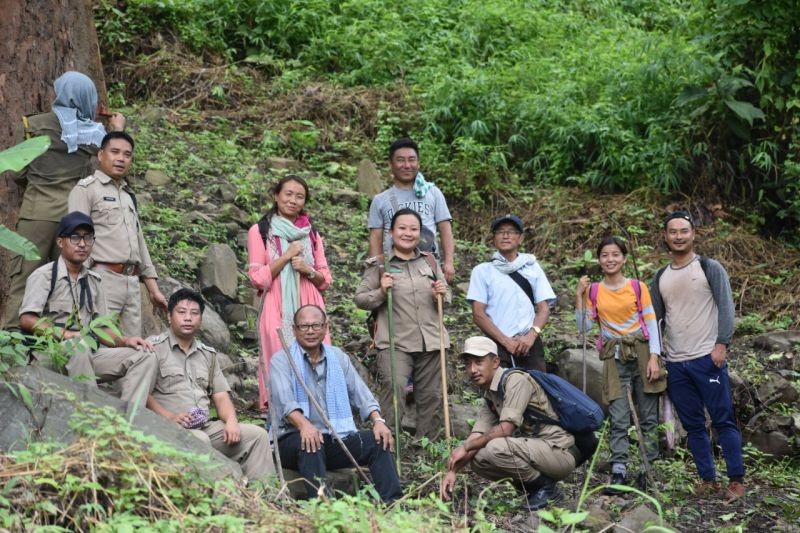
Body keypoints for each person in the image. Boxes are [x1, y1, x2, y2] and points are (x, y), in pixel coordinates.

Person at [3, 71, 125, 330]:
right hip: (73, 218)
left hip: (36, 213)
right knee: (68, 279)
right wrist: (118, 130)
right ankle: (64, 340)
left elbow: (17, 172)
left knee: (24, 277)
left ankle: (13, 338)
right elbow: (109, 165)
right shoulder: (95, 135)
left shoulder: (32, 125)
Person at [650, 211, 743, 502]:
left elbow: (726, 307)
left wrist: (722, 344)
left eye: (684, 231)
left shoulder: (708, 267)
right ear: (665, 237)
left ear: (693, 234)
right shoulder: (660, 277)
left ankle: (736, 480)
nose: (678, 236)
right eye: (673, 232)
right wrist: (656, 354)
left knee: (722, 419)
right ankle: (708, 478)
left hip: (707, 357)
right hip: (677, 363)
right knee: (692, 424)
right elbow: (655, 320)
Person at [19, 211, 156, 403]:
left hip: (85, 355)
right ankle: (92, 419)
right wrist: (64, 334)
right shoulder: (44, 276)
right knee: (79, 347)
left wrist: (126, 340)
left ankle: (127, 422)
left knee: (144, 356)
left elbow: (101, 328)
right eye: (75, 237)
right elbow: (27, 319)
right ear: (60, 242)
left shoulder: (94, 280)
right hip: (50, 355)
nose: (82, 244)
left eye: (88, 238)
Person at [269, 305, 402, 503]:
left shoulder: (337, 357)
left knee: (377, 441)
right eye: (304, 326)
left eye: (316, 325)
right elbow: (285, 404)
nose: (311, 331)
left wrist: (378, 420)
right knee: (310, 442)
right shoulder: (282, 360)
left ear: (325, 327)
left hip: (333, 438)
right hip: (292, 439)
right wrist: (304, 425)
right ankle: (324, 509)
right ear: (294, 329)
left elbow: (361, 394)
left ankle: (393, 504)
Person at [146, 289, 275, 482]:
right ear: (169, 316)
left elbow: (221, 396)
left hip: (204, 426)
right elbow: (142, 393)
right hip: (167, 426)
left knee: (257, 435)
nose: (188, 318)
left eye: (194, 313)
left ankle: (267, 497)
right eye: (181, 312)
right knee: (200, 440)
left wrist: (231, 421)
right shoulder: (152, 348)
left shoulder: (207, 354)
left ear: (200, 319)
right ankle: (214, 498)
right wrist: (170, 417)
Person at [440, 336, 578, 510]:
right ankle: (533, 488)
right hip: (534, 451)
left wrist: (466, 447)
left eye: (479, 362)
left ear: (495, 361)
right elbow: (477, 435)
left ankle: (545, 488)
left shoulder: (516, 381)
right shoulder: (490, 394)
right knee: (478, 459)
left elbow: (506, 429)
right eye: (468, 364)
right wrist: (453, 470)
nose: (472, 369)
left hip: (558, 451)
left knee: (496, 447)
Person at [575, 236, 666, 493]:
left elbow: (650, 323)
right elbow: (584, 327)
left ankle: (647, 469)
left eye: (615, 254)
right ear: (599, 259)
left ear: (624, 258)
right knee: (618, 416)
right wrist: (579, 296)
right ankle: (619, 471)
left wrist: (654, 357)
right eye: (605, 255)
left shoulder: (637, 287)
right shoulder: (594, 291)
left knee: (648, 416)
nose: (610, 259)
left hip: (643, 353)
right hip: (614, 357)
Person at [355, 208, 450, 441]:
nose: (408, 233)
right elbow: (360, 299)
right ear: (392, 232)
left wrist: (441, 293)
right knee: (394, 388)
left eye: (414, 229)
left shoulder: (429, 261)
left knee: (432, 395)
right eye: (402, 228)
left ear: (421, 233)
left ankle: (428, 445)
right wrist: (381, 291)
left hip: (431, 338)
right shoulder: (380, 265)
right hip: (394, 341)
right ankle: (387, 441)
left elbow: (446, 297)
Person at [67, 131, 166, 337]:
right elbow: (76, 240)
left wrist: (153, 289)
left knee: (134, 344)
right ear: (101, 155)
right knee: (101, 341)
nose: (121, 158)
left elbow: (139, 243)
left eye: (127, 155)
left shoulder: (128, 195)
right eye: (115, 152)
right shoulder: (86, 190)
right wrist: (80, 283)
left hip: (131, 282)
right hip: (102, 279)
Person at [247, 175, 332, 411]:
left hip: (309, 302)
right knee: (280, 357)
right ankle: (282, 417)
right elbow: (257, 278)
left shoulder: (311, 234)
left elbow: (325, 279)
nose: (293, 200)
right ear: (276, 196)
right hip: (276, 303)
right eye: (288, 194)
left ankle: (317, 413)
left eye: (300, 196)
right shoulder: (260, 231)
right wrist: (285, 257)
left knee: (315, 357)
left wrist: (308, 270)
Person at [467, 214, 556, 371]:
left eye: (512, 231)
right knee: (500, 391)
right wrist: (505, 341)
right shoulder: (482, 271)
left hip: (530, 344)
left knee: (537, 390)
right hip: (497, 344)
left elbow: (544, 308)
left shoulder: (532, 267)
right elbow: (478, 314)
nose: (506, 235)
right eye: (500, 231)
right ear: (494, 238)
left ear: (520, 238)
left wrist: (531, 336)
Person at [367, 138, 455, 282]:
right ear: (391, 164)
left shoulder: (433, 193)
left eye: (412, 160)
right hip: (395, 268)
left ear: (418, 163)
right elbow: (375, 238)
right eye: (401, 160)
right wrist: (377, 269)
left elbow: (446, 230)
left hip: (428, 266)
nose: (407, 165)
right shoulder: (380, 200)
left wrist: (449, 262)